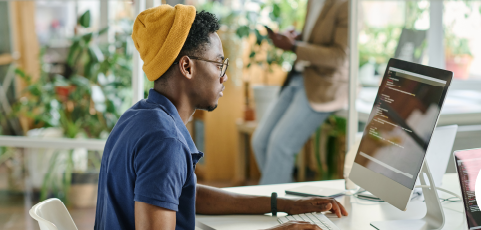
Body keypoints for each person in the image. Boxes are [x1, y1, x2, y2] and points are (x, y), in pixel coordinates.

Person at [93, 5, 347, 230]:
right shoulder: (164, 142)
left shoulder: (138, 117)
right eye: (218, 63)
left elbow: (184, 193)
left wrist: (285, 205)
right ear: (187, 67)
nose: (223, 76)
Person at [253, 0, 350, 185]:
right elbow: (314, 39)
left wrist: (295, 47)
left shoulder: (347, 5)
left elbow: (340, 57)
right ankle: (282, 201)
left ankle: (273, 207)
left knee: (280, 146)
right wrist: (296, 38)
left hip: (324, 86)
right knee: (260, 142)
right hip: (299, 77)